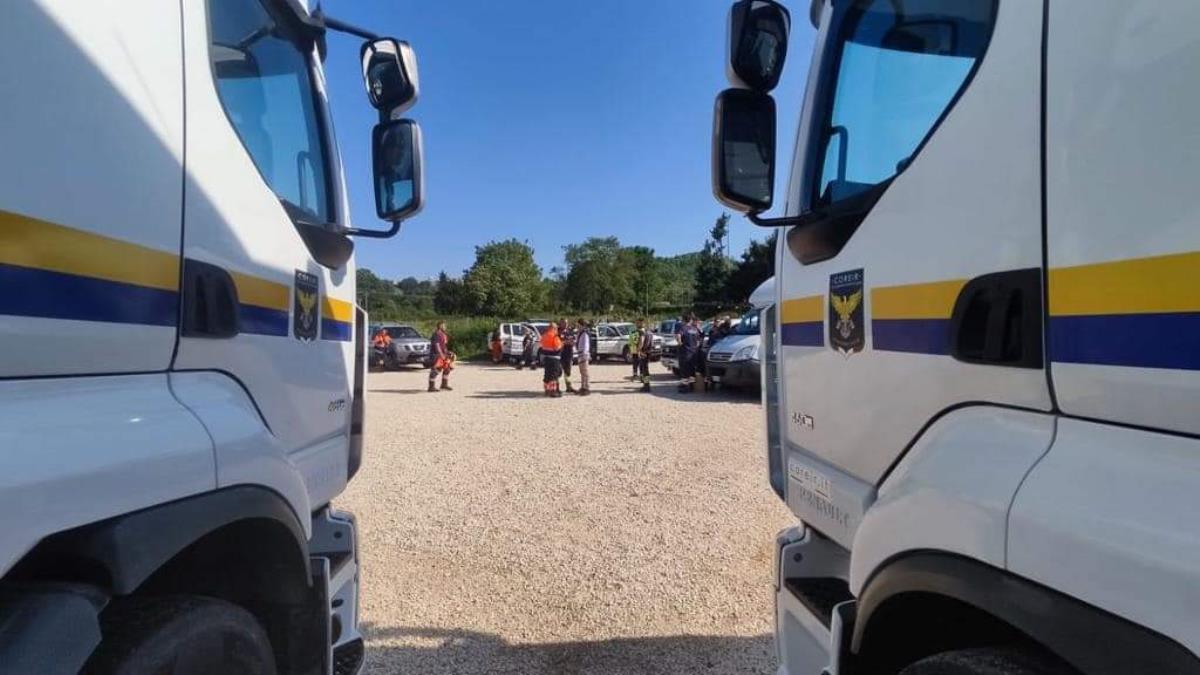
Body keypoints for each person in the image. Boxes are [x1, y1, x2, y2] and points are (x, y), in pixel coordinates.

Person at [677, 313, 703, 393]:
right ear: (690, 320)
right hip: (693, 353)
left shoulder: (683, 328)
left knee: (685, 371)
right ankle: (692, 386)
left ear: (684, 320)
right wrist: (695, 347)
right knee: (692, 370)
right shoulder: (694, 329)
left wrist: (680, 342)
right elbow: (698, 340)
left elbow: (678, 335)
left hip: (685, 352)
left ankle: (685, 387)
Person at [540, 321, 564, 397]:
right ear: (554, 328)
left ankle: (547, 390)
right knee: (554, 375)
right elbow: (557, 347)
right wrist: (562, 343)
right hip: (555, 358)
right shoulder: (554, 336)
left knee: (547, 375)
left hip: (546, 358)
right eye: (556, 328)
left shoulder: (544, 335)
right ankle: (553, 391)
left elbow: (541, 345)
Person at [428, 320, 453, 392]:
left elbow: (443, 345)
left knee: (447, 368)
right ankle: (431, 387)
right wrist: (441, 355)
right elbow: (437, 345)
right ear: (440, 326)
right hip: (436, 355)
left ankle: (444, 385)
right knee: (436, 370)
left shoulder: (443, 334)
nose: (445, 327)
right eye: (444, 325)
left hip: (443, 354)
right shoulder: (436, 334)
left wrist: (448, 352)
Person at [558, 318, 577, 394]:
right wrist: (566, 342)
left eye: (566, 323)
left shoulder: (570, 331)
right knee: (558, 372)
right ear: (560, 323)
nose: (565, 324)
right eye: (563, 323)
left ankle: (569, 387)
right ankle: (556, 388)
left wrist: (566, 342)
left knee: (568, 372)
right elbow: (559, 342)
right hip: (560, 354)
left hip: (569, 354)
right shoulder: (557, 331)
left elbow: (574, 341)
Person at [636, 318, 654, 392]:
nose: (637, 324)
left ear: (642, 323)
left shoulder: (642, 332)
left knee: (644, 370)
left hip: (644, 352)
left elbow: (641, 341)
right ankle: (647, 384)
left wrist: (638, 350)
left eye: (638, 323)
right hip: (649, 352)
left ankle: (646, 386)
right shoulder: (649, 332)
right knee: (646, 369)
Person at [574, 318, 592, 396]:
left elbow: (585, 345)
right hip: (580, 354)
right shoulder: (580, 333)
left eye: (578, 325)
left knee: (585, 372)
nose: (577, 326)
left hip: (583, 354)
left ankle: (586, 388)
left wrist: (584, 354)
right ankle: (583, 387)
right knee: (582, 372)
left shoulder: (584, 334)